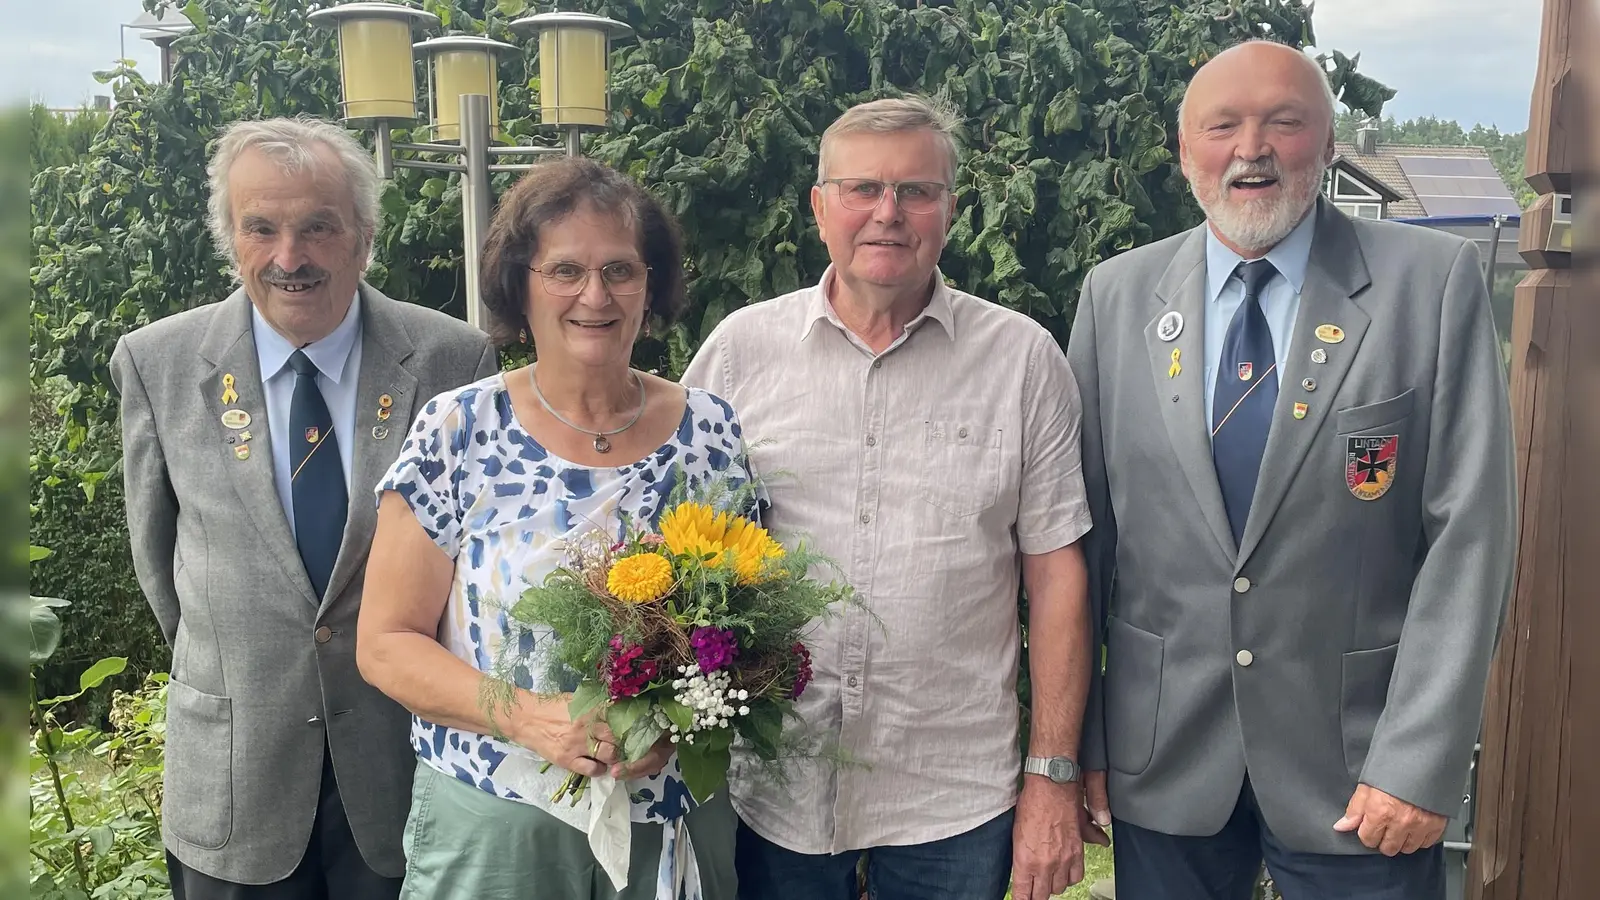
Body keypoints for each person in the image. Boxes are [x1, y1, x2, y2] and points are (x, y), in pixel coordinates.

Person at [1066, 40, 1517, 900]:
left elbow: (1473, 535)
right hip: (1164, 756)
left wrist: (1421, 759)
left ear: (1330, 141)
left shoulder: (1429, 284)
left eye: (1285, 122)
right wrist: (1089, 743)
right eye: (1222, 126)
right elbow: (1088, 543)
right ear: (1182, 149)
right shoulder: (1116, 297)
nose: (1251, 150)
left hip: (1359, 765)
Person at [681, 96, 1099, 900]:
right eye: (862, 188)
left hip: (952, 791)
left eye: (917, 190)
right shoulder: (739, 354)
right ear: (820, 206)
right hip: (775, 781)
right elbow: (677, 546)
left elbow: (1056, 576)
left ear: (950, 207)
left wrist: (1051, 774)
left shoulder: (1021, 360)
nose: (888, 213)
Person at [110, 116, 498, 899]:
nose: (290, 258)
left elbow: (472, 571)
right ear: (231, 236)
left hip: (404, 772)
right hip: (235, 778)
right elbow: (159, 564)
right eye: (262, 228)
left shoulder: (454, 359)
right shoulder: (156, 363)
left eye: (318, 227)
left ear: (363, 235)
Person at [356, 156, 746, 900]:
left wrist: (683, 718)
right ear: (520, 284)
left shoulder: (711, 433)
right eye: (564, 270)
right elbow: (384, 644)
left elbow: (739, 626)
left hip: (668, 822)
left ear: (651, 286)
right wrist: (533, 719)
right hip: (499, 832)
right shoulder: (459, 430)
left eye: (621, 271)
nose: (594, 295)